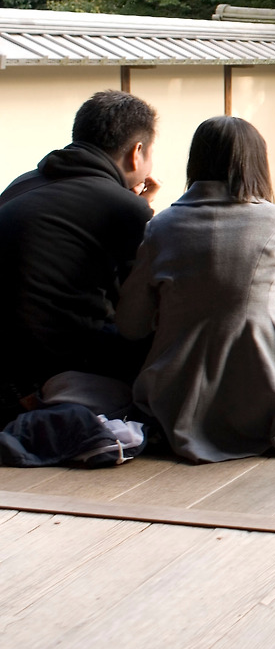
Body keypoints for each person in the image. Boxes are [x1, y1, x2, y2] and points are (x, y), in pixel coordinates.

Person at [116, 116, 275, 462]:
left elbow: (131, 324)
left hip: (175, 396)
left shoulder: (161, 226)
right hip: (267, 393)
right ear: (257, 164)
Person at [0, 90, 160, 423]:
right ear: (137, 152)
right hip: (49, 367)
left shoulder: (21, 184)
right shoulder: (122, 208)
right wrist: (139, 212)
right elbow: (140, 306)